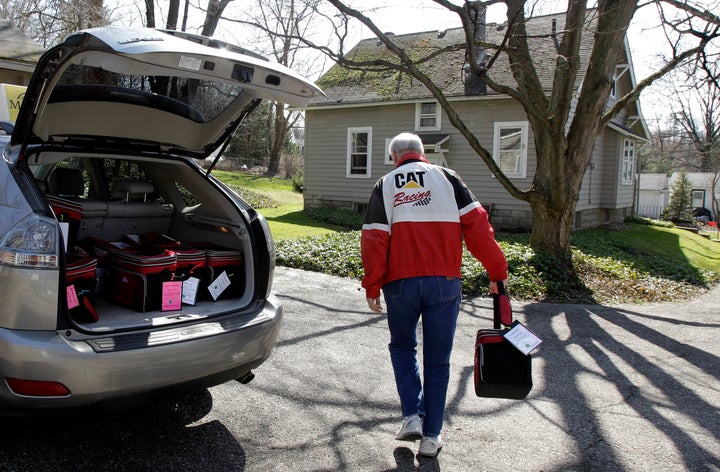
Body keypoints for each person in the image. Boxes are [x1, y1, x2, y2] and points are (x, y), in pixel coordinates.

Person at [361, 132, 508, 458]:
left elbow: (374, 239)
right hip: (444, 281)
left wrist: (372, 284)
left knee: (402, 347)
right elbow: (479, 229)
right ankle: (431, 437)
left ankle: (412, 414)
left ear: (393, 155)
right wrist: (497, 273)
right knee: (438, 361)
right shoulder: (449, 179)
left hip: (399, 284)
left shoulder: (385, 185)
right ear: (423, 152)